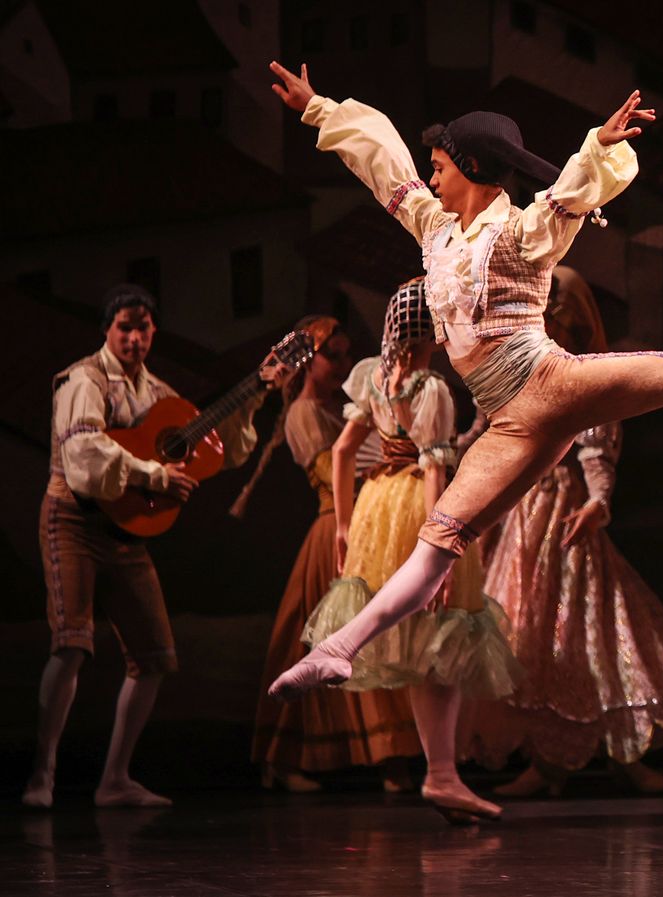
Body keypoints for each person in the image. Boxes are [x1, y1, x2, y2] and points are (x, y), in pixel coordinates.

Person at [263, 62, 663, 714]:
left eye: (440, 163)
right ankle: (339, 648)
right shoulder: (434, 230)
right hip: (505, 422)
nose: (431, 175)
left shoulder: (520, 232)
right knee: (437, 545)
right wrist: (317, 106)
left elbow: (570, 198)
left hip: (552, 385)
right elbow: (382, 159)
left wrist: (597, 148)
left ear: (470, 166)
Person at [460, 267, 663, 797]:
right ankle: (547, 764)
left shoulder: (583, 375)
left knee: (591, 629)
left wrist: (598, 502)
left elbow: (595, 448)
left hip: (562, 510)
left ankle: (623, 752)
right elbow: (480, 434)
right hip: (519, 512)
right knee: (530, 634)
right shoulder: (509, 369)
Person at [26, 284, 281, 808]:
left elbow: (215, 449)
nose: (135, 337)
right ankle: (42, 774)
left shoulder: (157, 393)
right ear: (107, 329)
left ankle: (114, 779)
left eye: (143, 328)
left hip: (125, 530)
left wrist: (257, 388)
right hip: (74, 518)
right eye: (125, 327)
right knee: (72, 644)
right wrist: (152, 475)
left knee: (155, 657)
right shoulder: (84, 379)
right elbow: (84, 452)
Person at [302, 280, 521, 822]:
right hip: (419, 510)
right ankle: (442, 774)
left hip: (378, 505)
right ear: (434, 330)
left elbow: (344, 450)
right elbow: (430, 463)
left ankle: (441, 774)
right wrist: (438, 540)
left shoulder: (376, 378)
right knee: (441, 641)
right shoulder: (430, 389)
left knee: (426, 643)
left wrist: (345, 523)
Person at [237, 316, 421, 793]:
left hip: (369, 523)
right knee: (314, 642)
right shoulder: (302, 414)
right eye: (330, 355)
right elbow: (333, 471)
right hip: (336, 530)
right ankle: (284, 759)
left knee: (371, 638)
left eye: (345, 354)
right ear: (308, 362)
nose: (341, 363)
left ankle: (393, 758)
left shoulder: (346, 406)